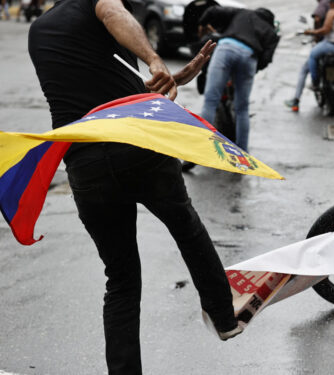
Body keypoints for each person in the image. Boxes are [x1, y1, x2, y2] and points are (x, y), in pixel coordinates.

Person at [27, 0, 242, 372]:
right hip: (138, 146)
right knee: (185, 226)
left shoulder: (39, 31)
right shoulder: (96, 3)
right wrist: (155, 60)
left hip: (85, 163)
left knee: (122, 280)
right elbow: (114, 13)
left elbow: (99, 91)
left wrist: (176, 77)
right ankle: (225, 317)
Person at [198, 6, 279, 152]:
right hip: (249, 56)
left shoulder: (244, 13)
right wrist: (252, 68)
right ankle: (242, 154)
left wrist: (202, 24)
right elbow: (266, 59)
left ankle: (198, 150)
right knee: (242, 108)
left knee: (211, 101)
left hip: (227, 49)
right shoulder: (272, 33)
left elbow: (212, 11)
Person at [285, 0, 334, 112]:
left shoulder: (333, 12)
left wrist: (310, 32)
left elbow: (325, 30)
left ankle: (315, 82)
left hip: (330, 45)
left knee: (312, 57)